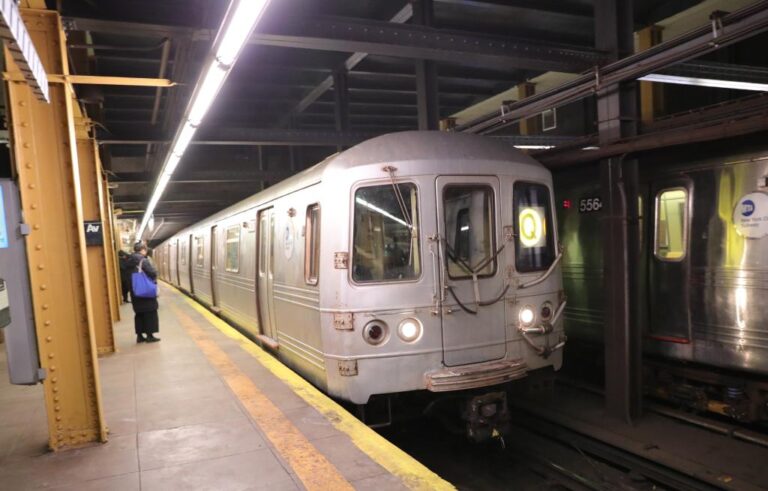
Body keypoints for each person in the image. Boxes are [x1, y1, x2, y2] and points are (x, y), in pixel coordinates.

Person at [127, 242, 160, 343]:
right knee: (150, 313)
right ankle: (150, 336)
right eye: (145, 250)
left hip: (135, 291)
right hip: (145, 291)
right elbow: (152, 272)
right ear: (142, 250)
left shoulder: (129, 260)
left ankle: (140, 336)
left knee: (139, 314)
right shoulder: (143, 260)